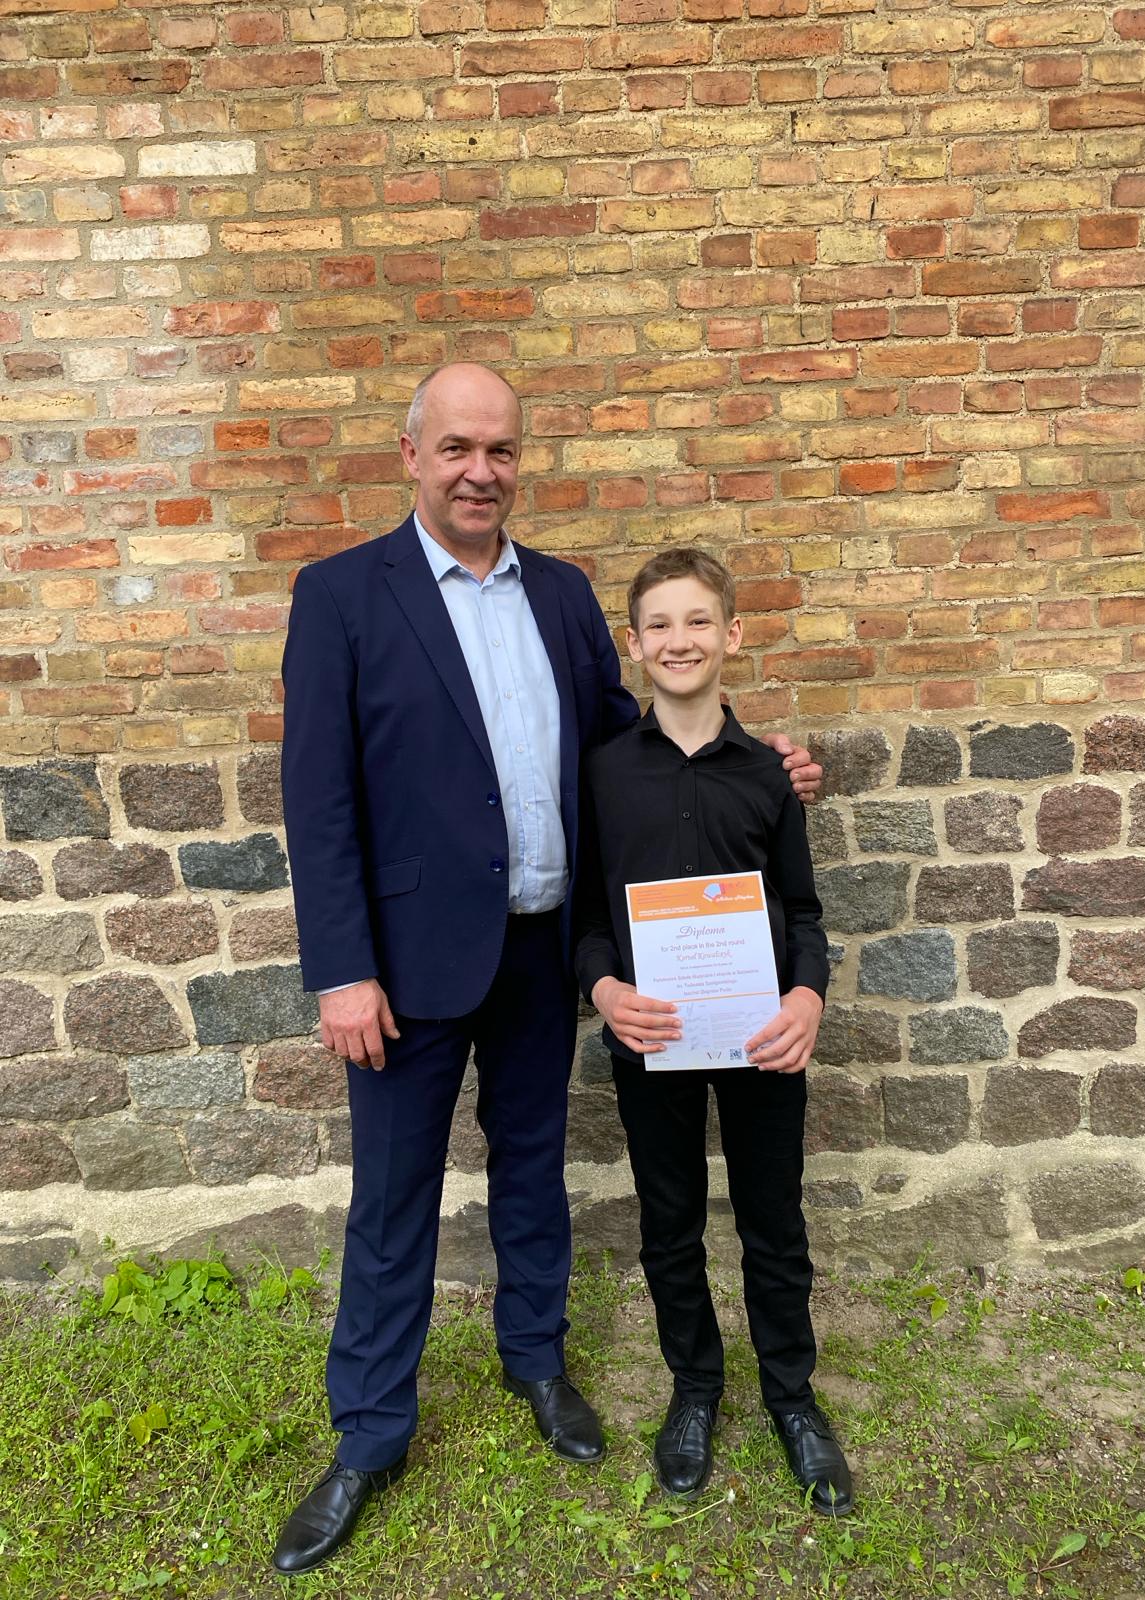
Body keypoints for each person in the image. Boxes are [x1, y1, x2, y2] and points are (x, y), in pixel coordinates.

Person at [274, 363, 825, 1574]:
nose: (482, 472)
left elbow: (630, 739)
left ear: (520, 461)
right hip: (405, 965)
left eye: (502, 451)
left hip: (540, 948)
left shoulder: (565, 593)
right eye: (457, 448)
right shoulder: (342, 595)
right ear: (412, 455)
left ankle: (536, 1361)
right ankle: (370, 1433)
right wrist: (341, 970)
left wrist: (757, 758)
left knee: (534, 1173)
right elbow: (317, 797)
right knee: (393, 1198)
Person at [575, 547, 853, 1515]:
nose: (679, 640)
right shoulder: (604, 774)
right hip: (650, 1038)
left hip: (761, 1038)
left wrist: (807, 998)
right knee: (671, 1224)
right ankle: (694, 1389)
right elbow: (587, 919)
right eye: (659, 624)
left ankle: (792, 1398)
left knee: (775, 1224)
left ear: (732, 633)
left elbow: (804, 912)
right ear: (634, 643)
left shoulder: (771, 774)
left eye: (699, 620)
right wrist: (604, 989)